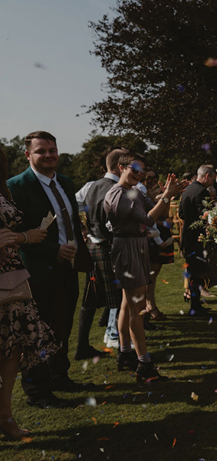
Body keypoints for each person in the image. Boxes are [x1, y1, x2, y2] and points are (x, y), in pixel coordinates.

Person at [8, 131, 95, 407]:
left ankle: (59, 375)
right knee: (38, 331)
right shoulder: (15, 186)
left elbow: (71, 221)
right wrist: (51, 250)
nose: (48, 155)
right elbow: (15, 234)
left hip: (66, 268)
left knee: (62, 324)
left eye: (52, 150)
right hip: (36, 271)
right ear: (28, 155)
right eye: (41, 151)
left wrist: (81, 255)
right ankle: (37, 390)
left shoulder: (66, 182)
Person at [104, 152, 184, 381]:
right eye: (135, 169)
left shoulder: (137, 191)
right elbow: (148, 219)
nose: (139, 173)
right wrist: (166, 195)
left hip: (137, 246)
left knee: (128, 305)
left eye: (142, 169)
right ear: (121, 168)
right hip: (127, 248)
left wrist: (166, 195)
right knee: (136, 307)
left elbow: (163, 213)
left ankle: (125, 354)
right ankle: (144, 364)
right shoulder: (117, 194)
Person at [0, 148, 60, 438]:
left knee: (14, 348)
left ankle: (5, 416)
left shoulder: (4, 192)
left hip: (12, 279)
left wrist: (20, 238)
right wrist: (25, 237)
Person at [80, 148, 128, 355]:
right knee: (118, 297)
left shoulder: (90, 186)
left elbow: (69, 208)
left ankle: (82, 346)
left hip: (93, 246)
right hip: (111, 247)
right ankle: (120, 346)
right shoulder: (118, 189)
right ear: (121, 166)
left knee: (90, 298)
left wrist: (83, 230)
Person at [179, 165, 216, 316]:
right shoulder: (201, 191)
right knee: (198, 273)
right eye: (212, 179)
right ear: (206, 176)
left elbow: (181, 213)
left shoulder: (188, 189)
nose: (212, 183)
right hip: (196, 237)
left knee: (193, 271)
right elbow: (205, 214)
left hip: (187, 235)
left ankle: (196, 305)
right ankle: (195, 307)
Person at [143, 168, 174, 322]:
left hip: (161, 234)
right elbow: (145, 218)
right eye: (149, 178)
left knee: (154, 275)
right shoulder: (143, 194)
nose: (152, 180)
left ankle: (151, 306)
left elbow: (165, 212)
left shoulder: (154, 194)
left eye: (155, 177)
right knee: (150, 275)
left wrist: (166, 196)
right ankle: (150, 307)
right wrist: (163, 222)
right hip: (151, 236)